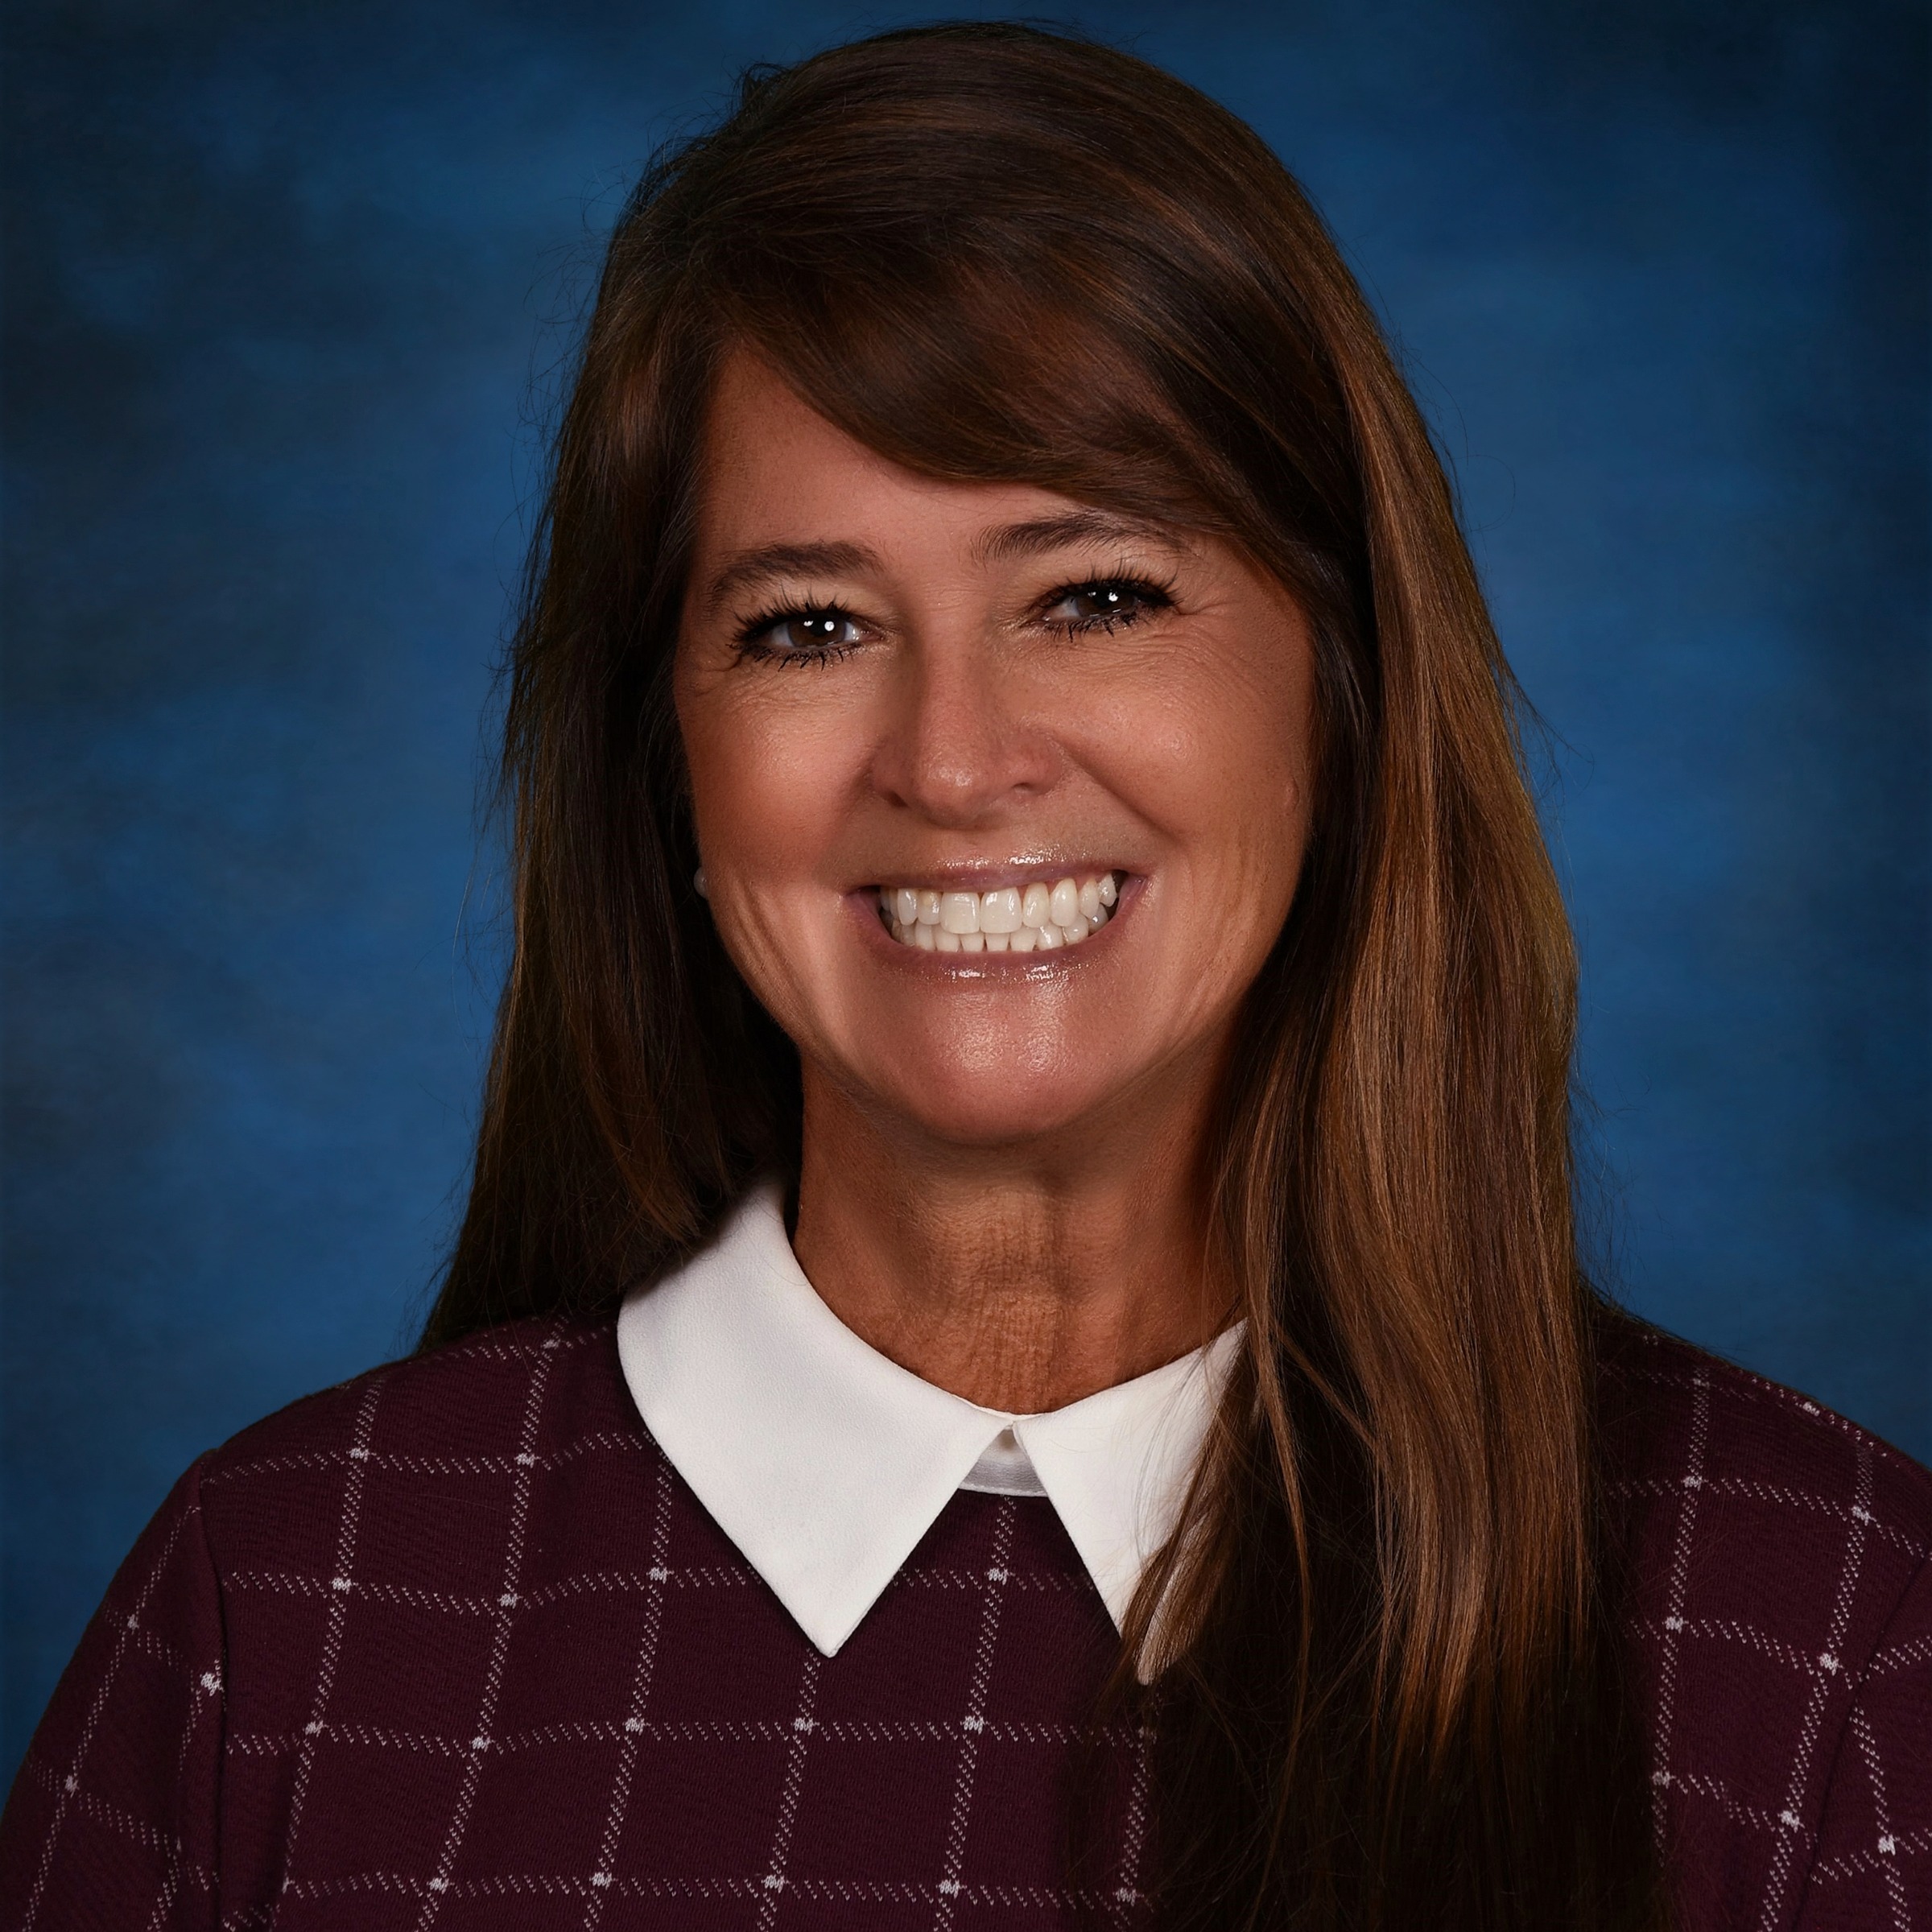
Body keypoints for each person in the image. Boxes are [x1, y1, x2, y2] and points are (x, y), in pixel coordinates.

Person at [3, 22, 1926, 1930]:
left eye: (1094, 596)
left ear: (1345, 701)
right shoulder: (287, 1613)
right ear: (665, 763)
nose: (952, 757)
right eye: (810, 624)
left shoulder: (1823, 1632)